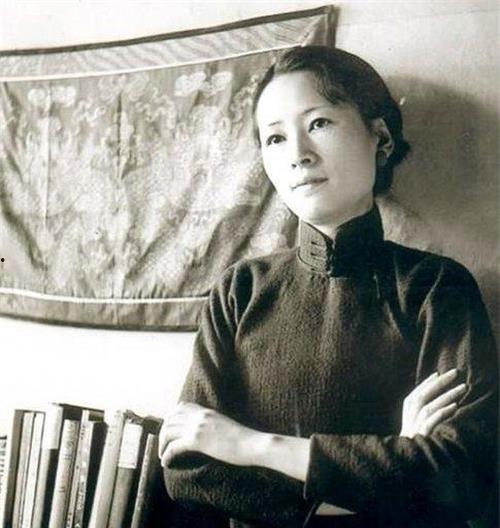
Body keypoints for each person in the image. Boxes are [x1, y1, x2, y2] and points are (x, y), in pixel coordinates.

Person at [159, 46, 498, 528]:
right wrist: (388, 474)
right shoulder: (240, 290)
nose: (298, 155)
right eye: (275, 138)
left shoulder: (436, 289)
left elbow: (462, 476)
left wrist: (250, 445)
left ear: (380, 138)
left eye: (318, 123)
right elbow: (187, 469)